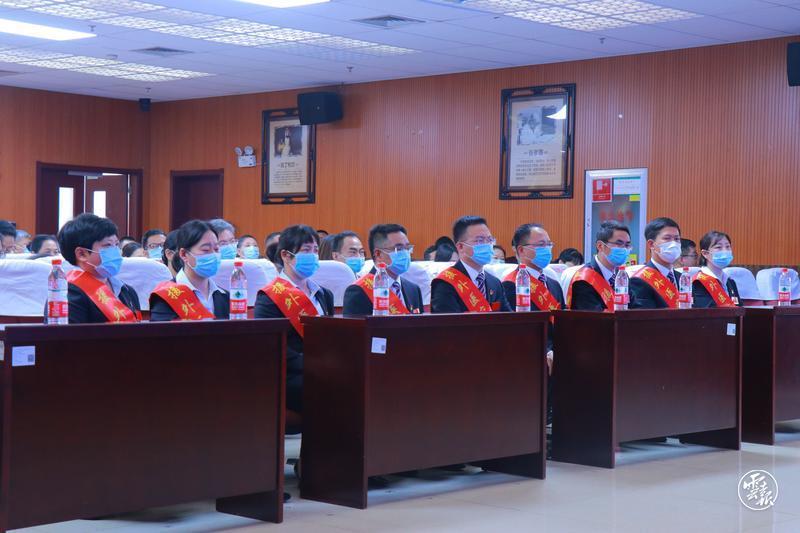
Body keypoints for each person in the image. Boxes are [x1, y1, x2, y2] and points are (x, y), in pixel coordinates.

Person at [254, 225, 334, 414]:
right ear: (286, 255)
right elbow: (271, 346)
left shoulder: (324, 294)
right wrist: (312, 364)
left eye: (315, 250)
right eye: (306, 250)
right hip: (292, 373)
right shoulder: (269, 297)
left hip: (325, 367)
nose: (312, 255)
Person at [54, 213, 140, 324]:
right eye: (108, 245)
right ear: (81, 254)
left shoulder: (126, 290)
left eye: (117, 245)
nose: (116, 252)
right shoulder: (66, 294)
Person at [501, 223, 564, 374]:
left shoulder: (554, 284)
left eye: (549, 244)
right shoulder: (511, 284)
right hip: (532, 358)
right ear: (521, 250)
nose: (547, 249)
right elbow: (519, 330)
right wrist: (547, 351)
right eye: (541, 245)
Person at [150, 220, 230, 320]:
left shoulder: (225, 296)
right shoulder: (166, 296)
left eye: (216, 249)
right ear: (184, 254)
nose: (213, 255)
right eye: (205, 250)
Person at [431, 216, 511, 313]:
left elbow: (508, 318)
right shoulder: (445, 283)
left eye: (490, 240)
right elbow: (447, 321)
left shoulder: (495, 283)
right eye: (480, 240)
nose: (487, 245)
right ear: (460, 247)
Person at [343, 223, 424, 316]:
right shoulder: (359, 291)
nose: (406, 253)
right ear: (378, 254)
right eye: (399, 249)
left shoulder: (413, 289)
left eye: (407, 248)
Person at [568, 220, 638, 310]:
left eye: (627, 245)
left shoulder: (621, 275)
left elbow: (634, 307)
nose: (624, 249)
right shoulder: (584, 280)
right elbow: (592, 315)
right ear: (600, 246)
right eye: (619, 243)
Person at [629, 217, 683, 309]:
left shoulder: (683, 278)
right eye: (667, 238)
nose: (673, 244)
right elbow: (645, 315)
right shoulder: (640, 280)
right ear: (651, 244)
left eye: (677, 239)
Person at [692, 230, 742, 308]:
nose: (725, 251)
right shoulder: (699, 282)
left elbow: (740, 309)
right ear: (705, 253)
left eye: (727, 247)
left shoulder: (730, 282)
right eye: (718, 247)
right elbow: (706, 311)